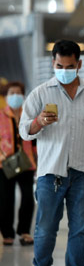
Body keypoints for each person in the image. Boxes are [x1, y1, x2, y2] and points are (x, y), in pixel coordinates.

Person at [19, 40, 84, 266]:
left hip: (83, 172)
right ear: (53, 63)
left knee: (80, 230)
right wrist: (39, 122)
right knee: (45, 230)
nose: (64, 71)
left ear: (79, 64)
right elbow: (24, 130)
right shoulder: (40, 94)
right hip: (50, 173)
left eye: (70, 67)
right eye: (60, 66)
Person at [0, 81, 36, 246]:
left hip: (26, 163)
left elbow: (34, 139)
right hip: (4, 164)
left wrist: (37, 160)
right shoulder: (1, 115)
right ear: (6, 97)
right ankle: (7, 233)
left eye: (18, 93)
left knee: (28, 198)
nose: (15, 96)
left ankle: (25, 231)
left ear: (23, 95)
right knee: (6, 199)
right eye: (11, 93)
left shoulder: (29, 115)